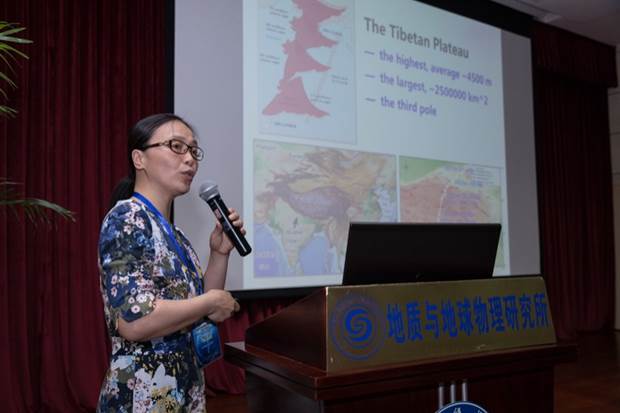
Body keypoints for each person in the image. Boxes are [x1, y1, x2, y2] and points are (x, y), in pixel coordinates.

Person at [96, 113, 243, 412]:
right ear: (139, 158)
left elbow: (202, 308)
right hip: (143, 397)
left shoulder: (177, 235)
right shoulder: (127, 218)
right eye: (177, 146)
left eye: (193, 150)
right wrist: (211, 301)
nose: (189, 159)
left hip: (184, 391)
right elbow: (134, 322)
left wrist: (219, 253)